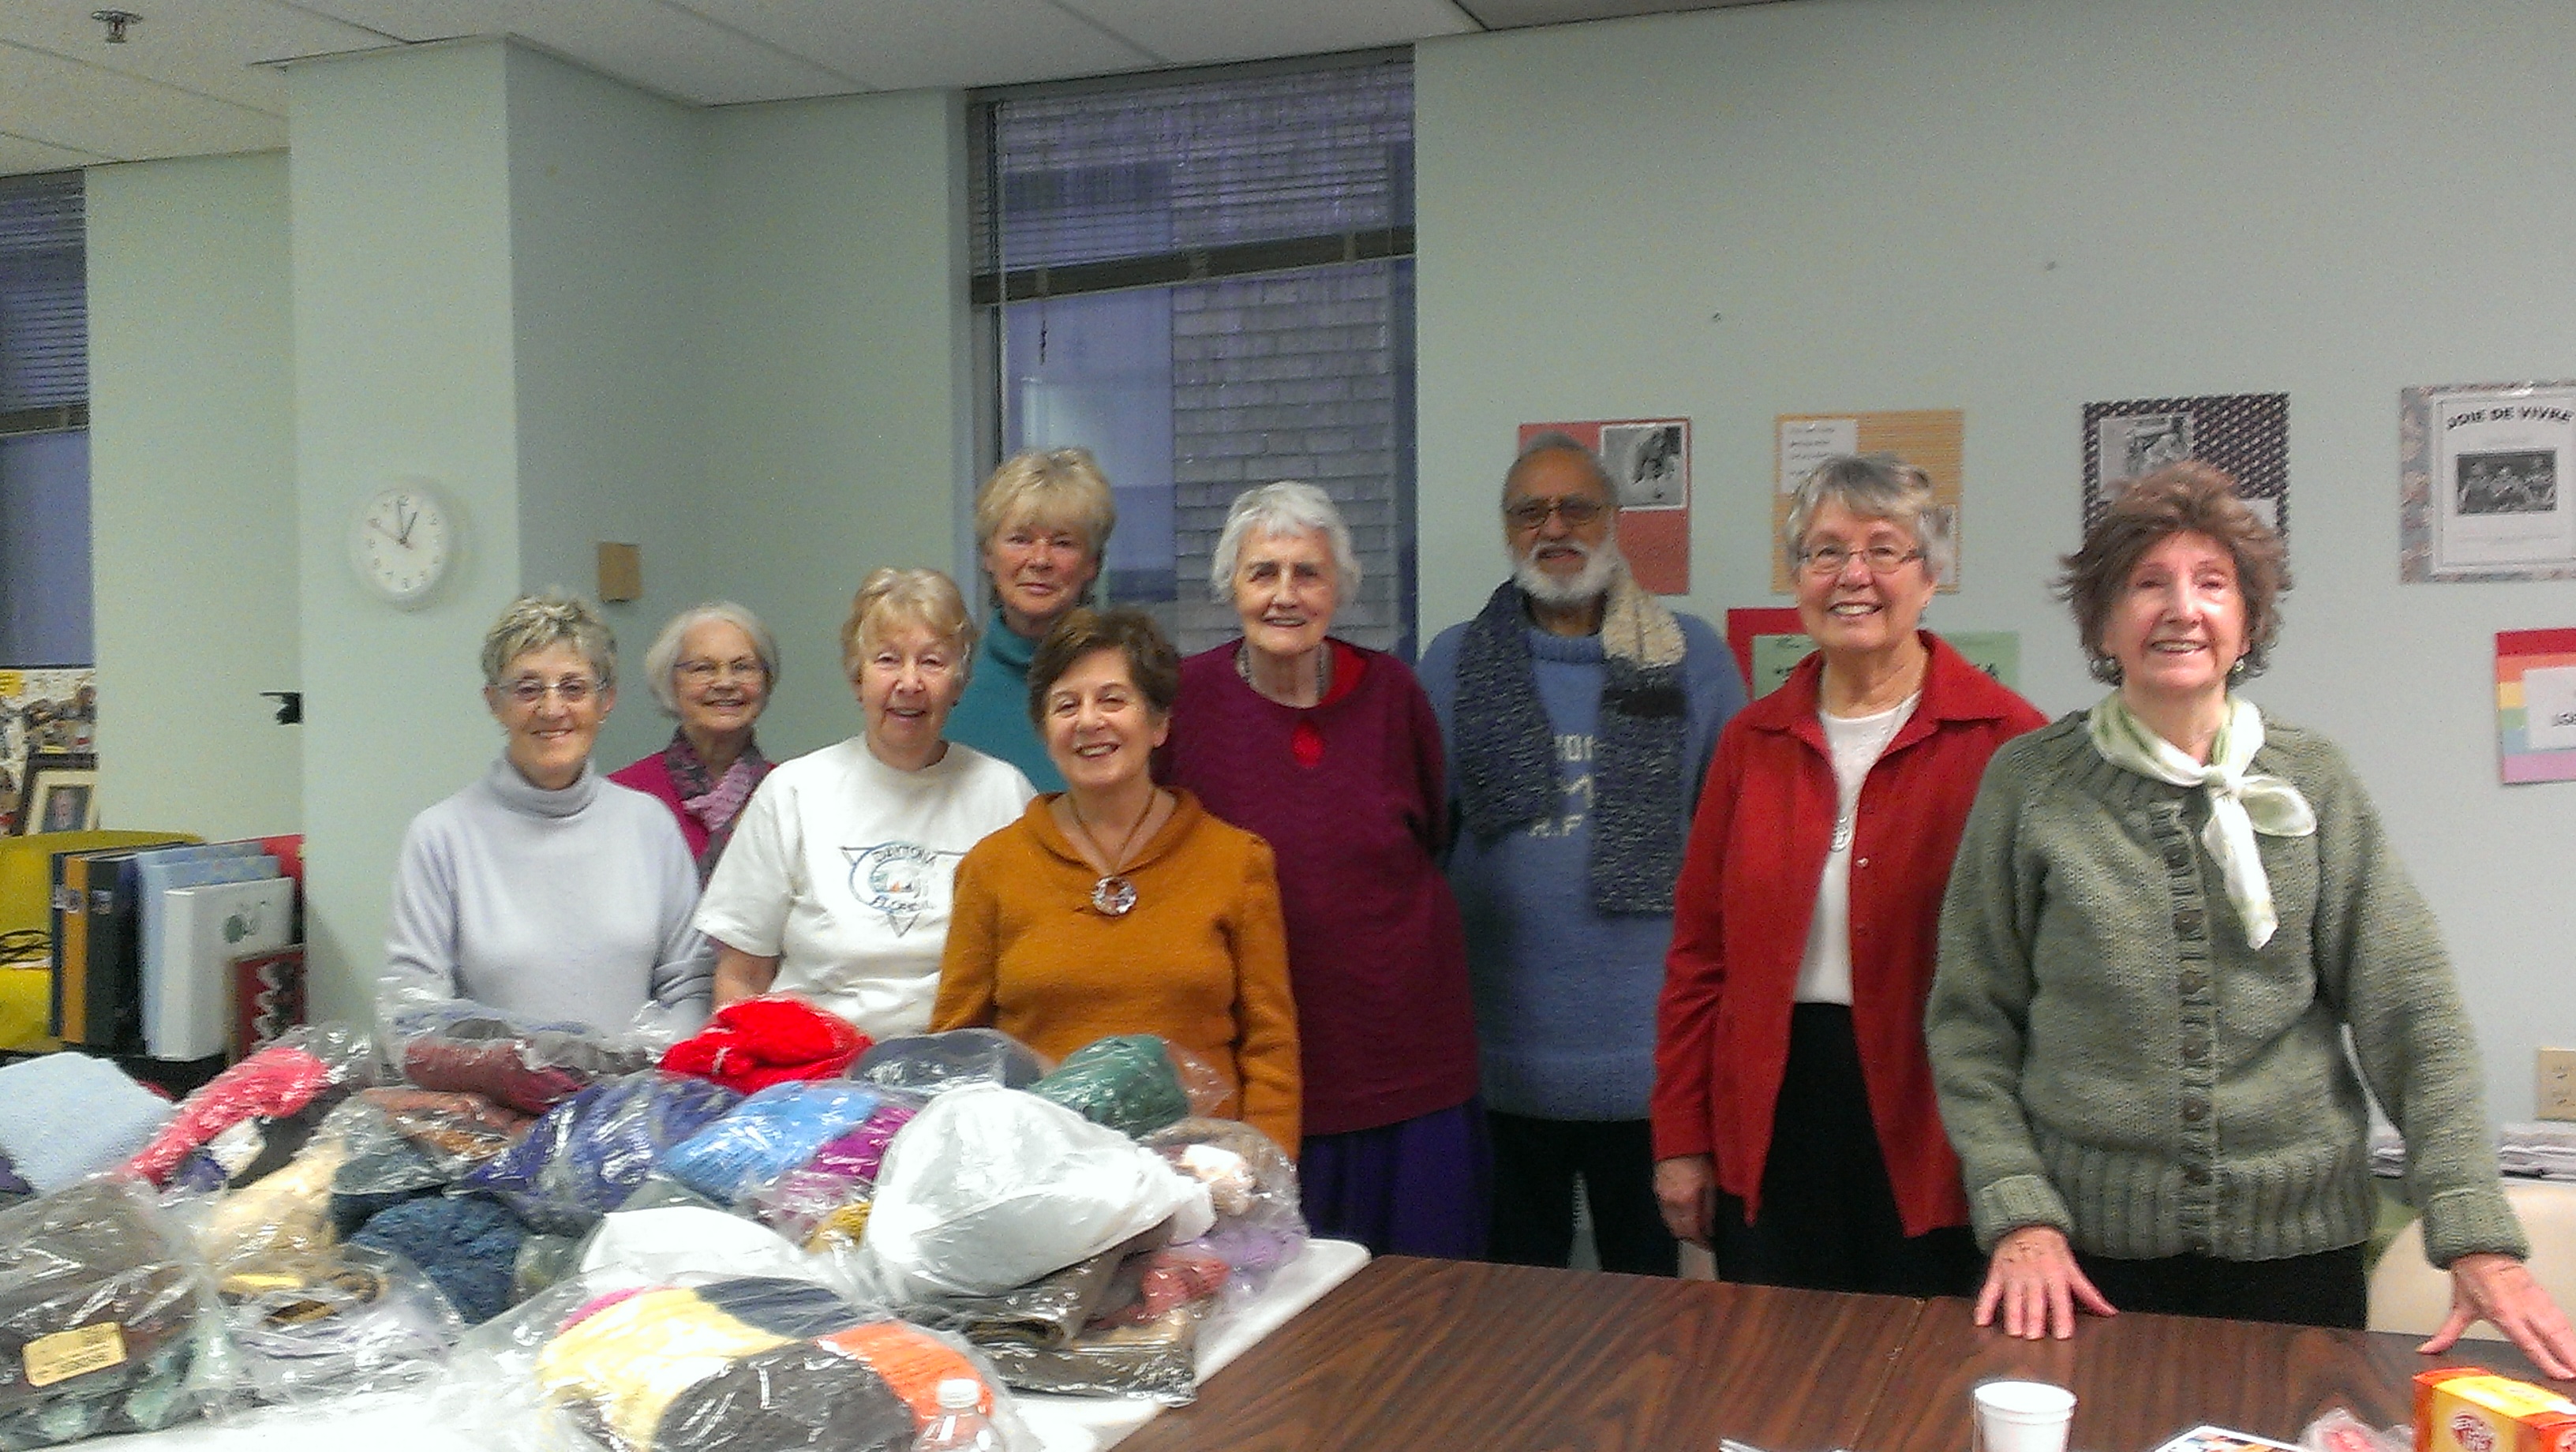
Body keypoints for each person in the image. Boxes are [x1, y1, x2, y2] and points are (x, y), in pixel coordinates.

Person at [1928, 462, 2576, 1376]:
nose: (2181, 608)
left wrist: (2473, 1231)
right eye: (2147, 583)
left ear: (2248, 623)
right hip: (2079, 1263)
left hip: (2296, 1262)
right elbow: (1970, 1022)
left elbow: (2411, 1012)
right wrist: (2019, 1210)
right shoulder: (2032, 787)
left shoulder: (2313, 780)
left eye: (2212, 583)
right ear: (2104, 623)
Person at [1650, 455, 2046, 1297]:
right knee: (1773, 1378)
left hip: (1937, 1115)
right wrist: (1682, 1137)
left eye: (1883, 550)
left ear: (1930, 576)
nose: (1853, 576)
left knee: (1920, 1382)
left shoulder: (2007, 740)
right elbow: (1698, 957)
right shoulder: (1751, 742)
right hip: (1771, 1111)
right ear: (1798, 578)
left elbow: (2045, 974)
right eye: (1826, 552)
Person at [1419, 434, 1745, 1275]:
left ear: (1615, 519)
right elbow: (1421, 840)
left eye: (1578, 507)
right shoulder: (1453, 663)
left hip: (1648, 1072)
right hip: (1495, 1065)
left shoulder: (1694, 658)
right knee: (1505, 1321)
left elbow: (1729, 862)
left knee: (1641, 1329)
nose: (1555, 526)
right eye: (1532, 510)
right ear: (1508, 528)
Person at [1163, 481, 1484, 1256]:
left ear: (1339, 587)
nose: (1285, 594)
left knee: (1428, 1302)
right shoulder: (1186, 698)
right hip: (1263, 1067)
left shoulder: (1393, 693)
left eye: (1307, 572)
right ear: (1229, 588)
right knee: (1281, 1312)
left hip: (1406, 1054)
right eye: (1262, 572)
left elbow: (1432, 830)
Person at [934, 608, 1301, 1153]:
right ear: (1044, 730)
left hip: (1203, 1179)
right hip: (1043, 1175)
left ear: (1158, 724)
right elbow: (957, 1053)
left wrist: (1261, 1167)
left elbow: (1270, 1050)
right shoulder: (992, 869)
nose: (1088, 721)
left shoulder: (1237, 862)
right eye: (1066, 705)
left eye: (1112, 699)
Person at [695, 569, 1034, 1041]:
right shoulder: (793, 791)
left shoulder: (1004, 793)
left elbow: (1032, 968)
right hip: (816, 1072)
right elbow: (741, 977)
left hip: (959, 1067)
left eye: (933, 662)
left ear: (958, 684)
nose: (910, 682)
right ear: (858, 679)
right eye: (888, 660)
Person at [383, 592, 711, 1033]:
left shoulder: (649, 826)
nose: (552, 709)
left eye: (574, 688)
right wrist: (512, 1078)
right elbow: (414, 1002)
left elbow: (689, 988)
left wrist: (642, 1074)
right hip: (491, 1098)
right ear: (494, 702)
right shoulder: (441, 836)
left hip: (633, 1094)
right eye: (527, 689)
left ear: (606, 700)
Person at [945, 447, 1117, 792]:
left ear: (1092, 564)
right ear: (987, 556)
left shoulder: (1128, 681)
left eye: (1063, 543)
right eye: (1020, 540)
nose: (1040, 560)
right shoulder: (946, 682)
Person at [609, 601, 780, 881]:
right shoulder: (625, 795)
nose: (725, 682)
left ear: (766, 681)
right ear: (670, 682)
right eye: (703, 669)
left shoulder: (790, 792)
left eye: (743, 667)